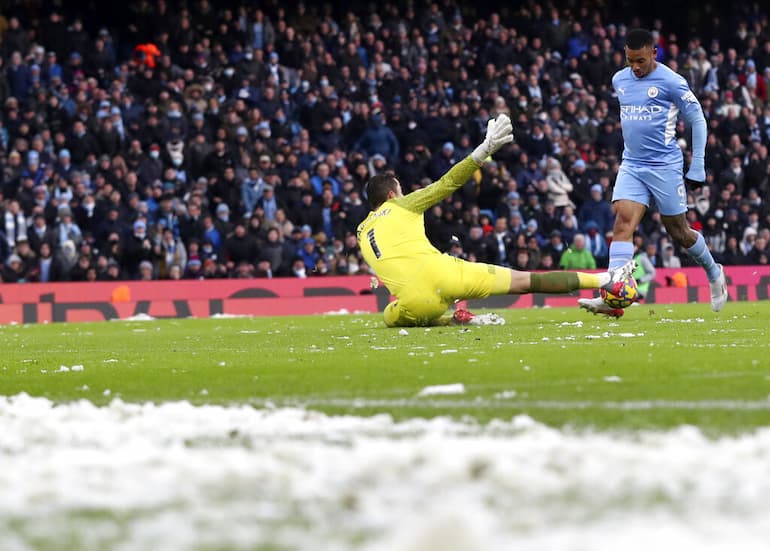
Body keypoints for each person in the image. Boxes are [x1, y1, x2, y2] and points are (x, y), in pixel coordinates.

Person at [357, 113, 636, 327]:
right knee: (526, 281)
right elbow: (446, 183)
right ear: (392, 195)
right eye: (401, 190)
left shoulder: (361, 232)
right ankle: (606, 278)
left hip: (417, 302)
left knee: (390, 316)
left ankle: (453, 319)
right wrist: (483, 151)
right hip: (448, 273)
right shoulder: (401, 205)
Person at [579, 28, 727, 318]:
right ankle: (613, 298)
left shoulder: (672, 81)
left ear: (654, 53)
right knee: (622, 222)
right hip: (632, 165)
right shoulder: (619, 79)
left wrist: (697, 165)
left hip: (665, 167)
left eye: (641, 61)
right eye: (630, 60)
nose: (635, 67)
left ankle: (714, 271)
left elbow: (697, 119)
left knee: (678, 231)